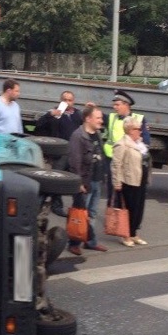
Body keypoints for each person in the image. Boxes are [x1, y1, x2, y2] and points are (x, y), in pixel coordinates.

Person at [65, 105, 109, 255]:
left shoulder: (96, 133)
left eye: (101, 118)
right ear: (87, 119)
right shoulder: (78, 136)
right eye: (98, 118)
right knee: (79, 213)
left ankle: (90, 241)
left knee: (92, 213)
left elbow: (100, 154)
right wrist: (79, 183)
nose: (101, 121)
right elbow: (74, 162)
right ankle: (74, 242)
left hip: (96, 179)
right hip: (85, 182)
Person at [34, 90, 83, 217]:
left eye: (70, 100)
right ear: (60, 100)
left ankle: (78, 208)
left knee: (75, 180)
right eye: (64, 100)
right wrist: (50, 115)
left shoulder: (78, 115)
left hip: (74, 153)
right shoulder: (55, 113)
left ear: (74, 101)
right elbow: (38, 126)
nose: (67, 102)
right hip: (61, 153)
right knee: (57, 178)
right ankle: (57, 205)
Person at [103, 89, 149, 202]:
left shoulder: (139, 119)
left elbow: (146, 142)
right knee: (113, 189)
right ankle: (113, 216)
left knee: (127, 191)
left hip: (130, 161)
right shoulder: (111, 117)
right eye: (114, 104)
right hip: (113, 159)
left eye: (117, 104)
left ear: (126, 105)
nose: (115, 107)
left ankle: (124, 216)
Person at [111, 116, 151, 247]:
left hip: (140, 180)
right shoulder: (122, 144)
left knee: (139, 209)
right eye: (138, 129)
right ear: (129, 130)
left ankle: (134, 233)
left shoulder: (140, 144)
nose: (140, 131)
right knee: (129, 209)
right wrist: (117, 182)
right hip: (129, 181)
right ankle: (126, 235)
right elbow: (116, 165)